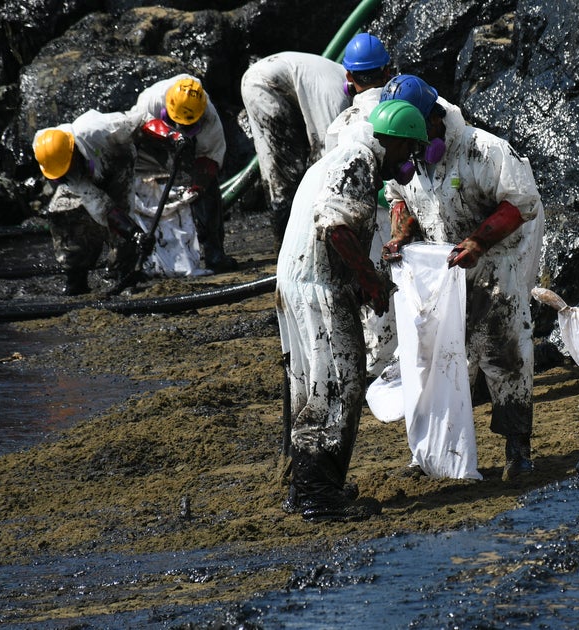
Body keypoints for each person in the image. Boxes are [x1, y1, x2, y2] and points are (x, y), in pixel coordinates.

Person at [380, 75, 545, 481]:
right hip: (442, 271)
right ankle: (433, 450)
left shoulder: (483, 150)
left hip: (494, 265)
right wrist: (401, 233)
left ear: (432, 122)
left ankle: (517, 450)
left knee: (504, 354)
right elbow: (400, 199)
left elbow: (521, 203)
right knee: (435, 361)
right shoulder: (413, 158)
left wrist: (479, 242)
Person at [276, 99, 428, 521]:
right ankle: (318, 499)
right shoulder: (359, 161)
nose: (408, 161)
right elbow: (336, 228)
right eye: (408, 150)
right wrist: (371, 282)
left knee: (310, 385)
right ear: (393, 142)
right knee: (339, 387)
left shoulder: (337, 156)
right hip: (319, 286)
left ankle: (306, 486)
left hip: (297, 282)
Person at [240, 52, 352, 244]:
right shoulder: (337, 96)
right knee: (286, 171)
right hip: (266, 85)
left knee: (277, 168)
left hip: (265, 78)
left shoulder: (340, 78)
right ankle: (290, 244)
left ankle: (289, 241)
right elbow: (327, 150)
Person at [127, 74, 235, 272]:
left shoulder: (209, 118)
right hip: (151, 145)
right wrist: (170, 135)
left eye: (188, 124)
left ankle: (214, 252)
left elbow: (210, 156)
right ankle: (140, 256)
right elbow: (134, 127)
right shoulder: (151, 100)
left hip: (191, 150)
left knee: (208, 193)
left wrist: (198, 185)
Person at [32, 109, 141, 295]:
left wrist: (133, 233)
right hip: (86, 172)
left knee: (123, 215)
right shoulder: (46, 150)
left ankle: (121, 274)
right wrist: (133, 231)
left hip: (118, 161)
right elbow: (100, 204)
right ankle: (76, 276)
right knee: (63, 211)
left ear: (73, 149)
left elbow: (138, 122)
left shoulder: (103, 130)